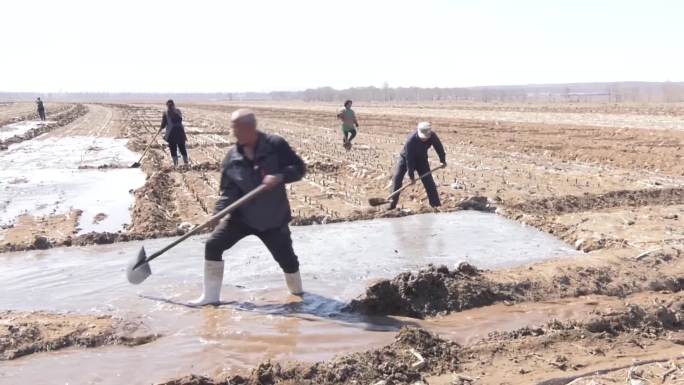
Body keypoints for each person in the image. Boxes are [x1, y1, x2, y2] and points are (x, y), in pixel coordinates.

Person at [190, 108, 306, 306]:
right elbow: (228, 193)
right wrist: (218, 214)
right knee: (213, 245)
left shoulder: (274, 145)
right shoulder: (232, 159)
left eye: (238, 128)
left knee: (287, 261)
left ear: (251, 127)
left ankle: (298, 294)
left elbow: (299, 168)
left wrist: (280, 176)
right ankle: (210, 297)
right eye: (233, 128)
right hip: (241, 219)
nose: (234, 132)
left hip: (273, 218)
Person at [389, 122, 446, 210]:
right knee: (397, 178)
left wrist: (442, 160)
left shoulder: (433, 136)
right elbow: (409, 160)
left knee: (429, 182)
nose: (424, 139)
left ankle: (435, 205)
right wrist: (411, 176)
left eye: (426, 138)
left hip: (422, 160)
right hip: (405, 159)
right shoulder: (410, 141)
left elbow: (439, 147)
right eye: (422, 138)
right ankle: (391, 205)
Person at [160, 99, 189, 166]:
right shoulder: (178, 111)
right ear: (174, 105)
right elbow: (180, 120)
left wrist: (161, 128)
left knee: (173, 149)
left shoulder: (166, 113)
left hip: (171, 133)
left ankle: (175, 164)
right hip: (180, 132)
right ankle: (186, 162)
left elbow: (163, 124)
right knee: (182, 148)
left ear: (167, 105)